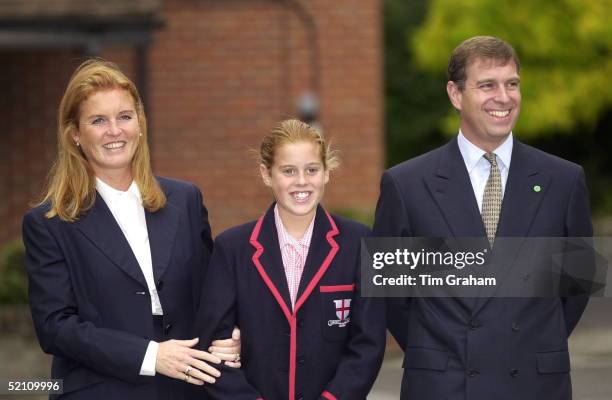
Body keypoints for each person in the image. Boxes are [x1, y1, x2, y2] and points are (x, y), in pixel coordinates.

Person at [373, 36, 592, 400]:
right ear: (455, 95)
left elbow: (577, 285)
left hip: (533, 384)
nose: (503, 97)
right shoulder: (406, 184)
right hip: (444, 384)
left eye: (512, 84)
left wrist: (528, 345)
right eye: (487, 85)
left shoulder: (565, 180)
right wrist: (443, 349)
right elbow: (391, 294)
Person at [22, 59, 241, 400]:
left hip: (190, 390)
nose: (114, 131)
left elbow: (213, 295)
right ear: (75, 134)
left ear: (140, 124)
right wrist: (151, 356)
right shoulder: (49, 223)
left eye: (124, 116)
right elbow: (55, 328)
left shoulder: (185, 200)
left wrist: (232, 334)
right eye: (98, 120)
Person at [194, 119, 386, 399]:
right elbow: (213, 344)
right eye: (288, 171)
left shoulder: (359, 242)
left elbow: (368, 344)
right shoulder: (232, 248)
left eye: (312, 170)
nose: (301, 181)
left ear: (327, 172)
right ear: (266, 174)